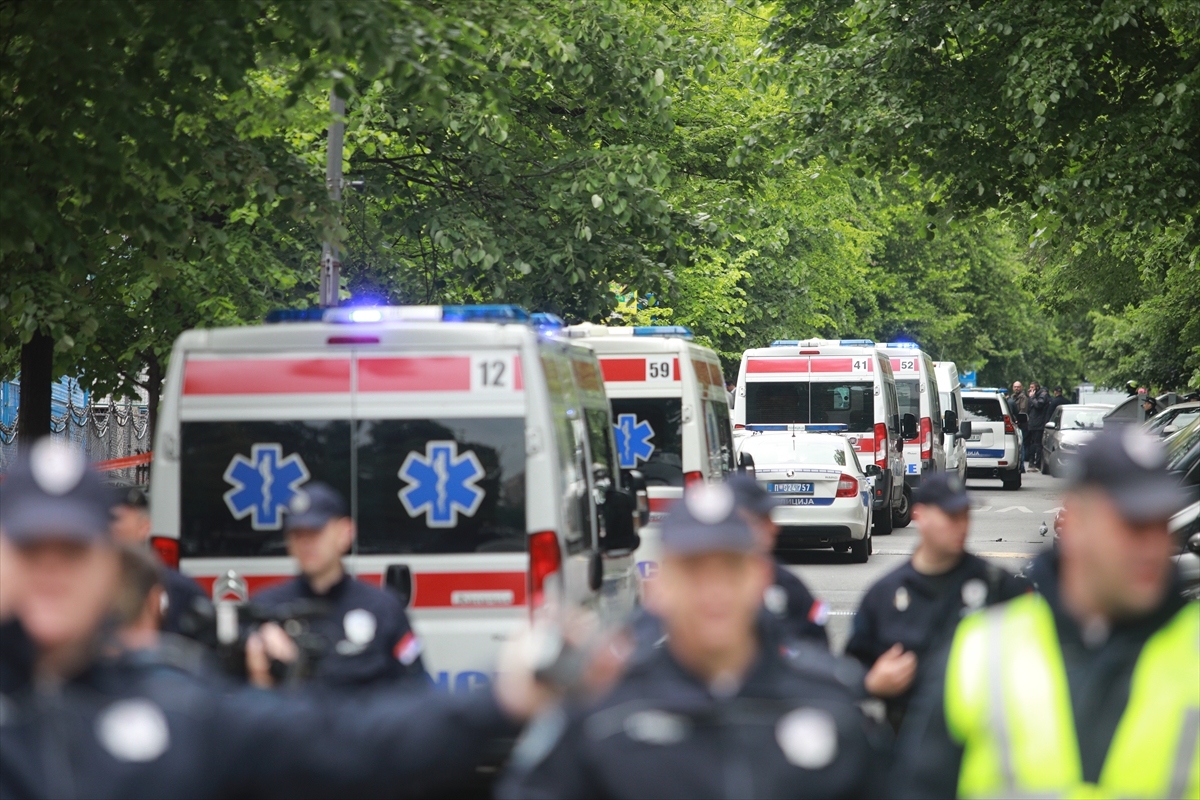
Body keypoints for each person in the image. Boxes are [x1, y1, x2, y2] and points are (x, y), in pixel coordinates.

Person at [0, 438, 537, 800]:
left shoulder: (175, 706)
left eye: (72, 551)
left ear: (110, 566)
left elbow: (356, 742)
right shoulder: (270, 607)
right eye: (29, 550)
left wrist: (499, 695)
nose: (52, 572)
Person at [498, 482, 887, 799]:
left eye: (731, 569)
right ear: (661, 585)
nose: (714, 591)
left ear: (760, 576)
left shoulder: (830, 703)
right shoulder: (606, 714)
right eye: (693, 570)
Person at [893, 426, 1197, 799]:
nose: (1153, 546)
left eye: (1161, 523)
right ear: (1077, 520)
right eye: (1133, 524)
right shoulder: (981, 654)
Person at [844, 474, 1027, 732]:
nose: (961, 525)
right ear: (920, 516)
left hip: (981, 743)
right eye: (951, 516)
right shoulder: (885, 594)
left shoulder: (997, 586)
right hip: (906, 743)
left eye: (965, 515)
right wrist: (871, 683)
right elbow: (846, 673)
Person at [252, 482, 426, 689]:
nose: (306, 543)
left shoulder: (382, 608)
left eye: (315, 532)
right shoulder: (266, 610)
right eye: (298, 534)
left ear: (345, 533)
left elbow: (418, 688)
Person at [728, 473, 830, 649]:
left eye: (770, 518)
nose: (774, 528)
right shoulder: (694, 589)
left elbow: (819, 654)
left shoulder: (788, 587)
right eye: (759, 520)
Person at [109, 486, 207, 636]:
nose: (108, 528)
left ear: (144, 527)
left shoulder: (178, 591)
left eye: (116, 519)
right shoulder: (84, 588)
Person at [1026, 381, 1051, 472]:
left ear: (1037, 387)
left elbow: (1038, 405)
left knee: (1037, 444)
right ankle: (1032, 462)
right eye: (1030, 387)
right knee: (1033, 443)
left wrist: (1032, 398)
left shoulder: (1041, 395)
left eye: (1032, 387)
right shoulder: (1034, 396)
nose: (1030, 389)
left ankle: (1037, 463)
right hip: (1034, 423)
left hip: (1038, 423)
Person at [1009, 381, 1030, 470]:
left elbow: (1022, 410)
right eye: (1015, 387)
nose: (1016, 388)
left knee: (1021, 445)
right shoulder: (1012, 397)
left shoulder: (1023, 398)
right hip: (1014, 422)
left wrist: (1017, 420)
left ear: (1021, 387)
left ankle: (1021, 466)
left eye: (1018, 387)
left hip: (1021, 424)